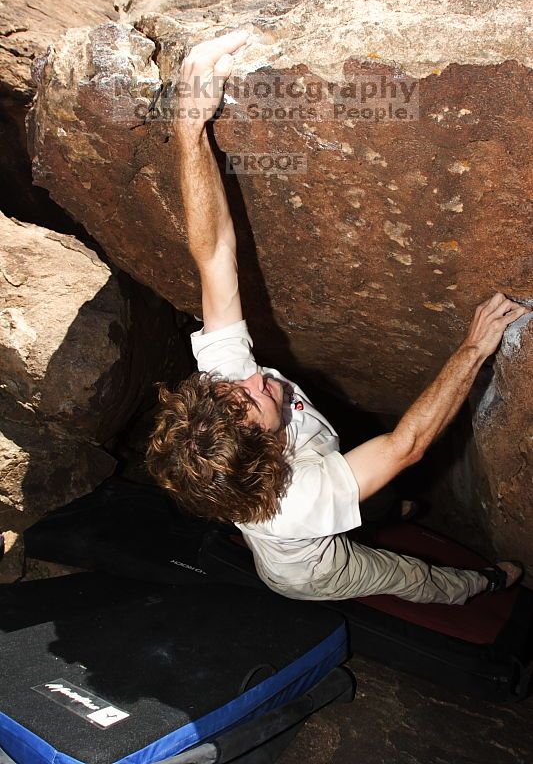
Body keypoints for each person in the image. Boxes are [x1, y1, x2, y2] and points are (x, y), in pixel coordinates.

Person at [146, 31, 527, 604]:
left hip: (324, 466)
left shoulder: (221, 402)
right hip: (311, 569)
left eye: (235, 390)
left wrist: (188, 127)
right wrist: (473, 349)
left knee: (366, 488)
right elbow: (406, 446)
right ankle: (483, 584)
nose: (255, 379)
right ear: (268, 451)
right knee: (406, 576)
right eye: (255, 401)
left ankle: (382, 506)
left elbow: (214, 255)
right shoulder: (301, 500)